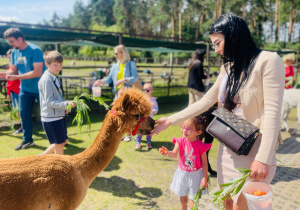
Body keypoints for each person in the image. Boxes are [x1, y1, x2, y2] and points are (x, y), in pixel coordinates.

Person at [152, 13, 285, 210]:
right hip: (228, 146)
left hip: (255, 148)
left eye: (217, 43)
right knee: (227, 201)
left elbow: (273, 113)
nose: (215, 50)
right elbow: (206, 101)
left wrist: (263, 158)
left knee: (246, 205)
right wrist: (170, 120)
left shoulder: (268, 61)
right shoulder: (228, 68)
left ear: (233, 36)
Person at [158, 108, 215, 210]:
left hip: (196, 176)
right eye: (183, 127)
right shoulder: (180, 141)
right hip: (182, 174)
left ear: (198, 132)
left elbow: (205, 163)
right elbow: (174, 154)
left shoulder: (201, 146)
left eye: (188, 129)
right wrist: (167, 152)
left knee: (194, 200)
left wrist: (205, 178)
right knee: (183, 200)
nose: (184, 130)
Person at [0, 28, 46, 150]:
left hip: (41, 88)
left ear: (20, 39)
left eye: (11, 41)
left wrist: (16, 77)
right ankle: (27, 140)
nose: (10, 44)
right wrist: (6, 74)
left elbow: (37, 72)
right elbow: (13, 68)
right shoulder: (15, 52)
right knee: (24, 114)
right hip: (25, 89)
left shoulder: (35, 50)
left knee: (49, 114)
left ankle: (60, 138)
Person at [94, 44, 138, 142]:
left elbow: (135, 77)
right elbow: (109, 78)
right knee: (118, 114)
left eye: (116, 53)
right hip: (118, 93)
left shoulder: (130, 64)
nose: (115, 55)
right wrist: (101, 81)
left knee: (128, 114)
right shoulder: (115, 66)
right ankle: (121, 134)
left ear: (122, 53)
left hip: (128, 93)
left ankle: (129, 134)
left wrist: (124, 80)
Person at [38, 51, 76, 155]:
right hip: (51, 118)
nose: (58, 67)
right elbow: (49, 101)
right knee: (59, 144)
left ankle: (40, 158)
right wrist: (66, 104)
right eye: (55, 65)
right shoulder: (46, 80)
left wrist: (64, 107)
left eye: (60, 65)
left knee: (63, 141)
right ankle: (59, 169)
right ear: (47, 64)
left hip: (57, 115)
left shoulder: (54, 76)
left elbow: (57, 97)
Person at [135, 83, 158, 150]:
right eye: (144, 89)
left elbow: (155, 107)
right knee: (140, 130)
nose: (145, 91)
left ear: (151, 90)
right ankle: (138, 142)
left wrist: (154, 110)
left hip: (149, 118)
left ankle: (148, 142)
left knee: (148, 130)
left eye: (147, 90)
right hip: (141, 119)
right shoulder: (141, 98)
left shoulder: (153, 99)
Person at [5, 49, 22, 134]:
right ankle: (22, 126)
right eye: (8, 58)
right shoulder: (10, 68)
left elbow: (14, 80)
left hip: (19, 91)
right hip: (13, 91)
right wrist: (8, 93)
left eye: (10, 57)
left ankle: (22, 127)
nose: (9, 59)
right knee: (17, 110)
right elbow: (9, 82)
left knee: (20, 110)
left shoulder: (20, 68)